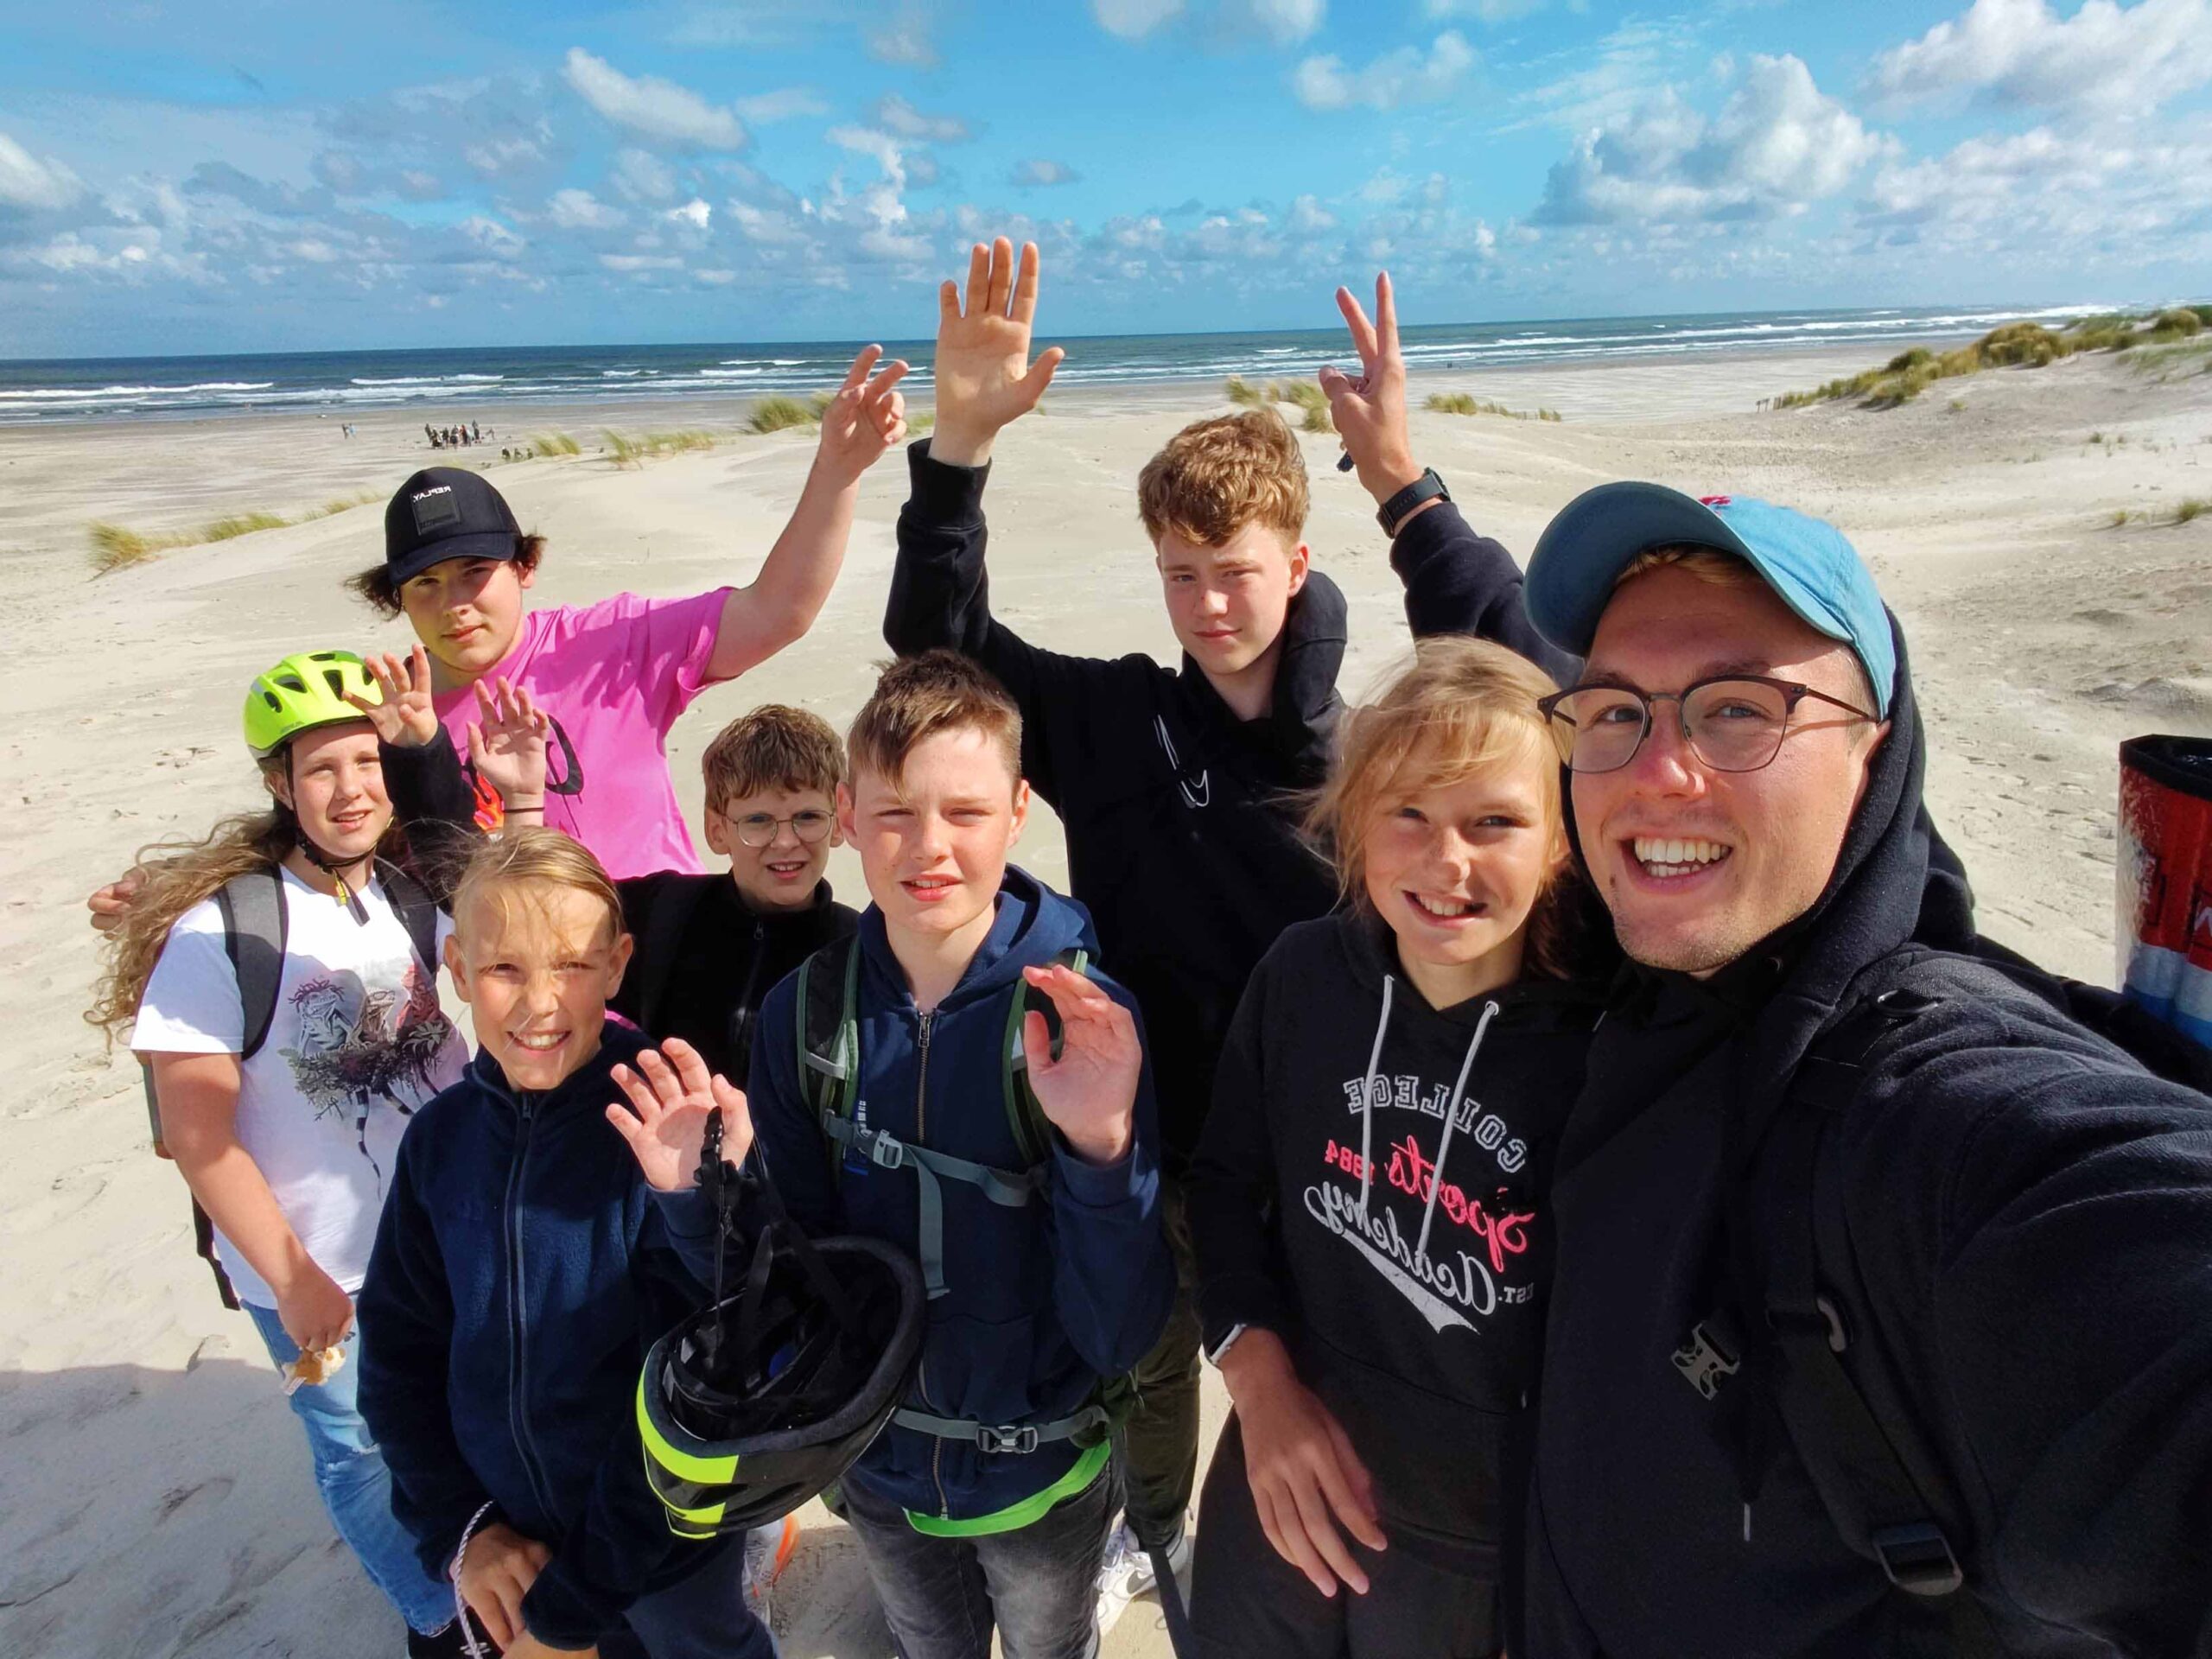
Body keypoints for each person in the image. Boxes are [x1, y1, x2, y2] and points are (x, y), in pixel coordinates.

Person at [882, 238, 1574, 1619]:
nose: (1208, 605)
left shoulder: (1366, 762)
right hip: (1145, 1142)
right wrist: (956, 452)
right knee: (1150, 1370)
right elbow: (937, 641)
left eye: (1236, 573)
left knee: (1328, 1393)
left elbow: (1540, 696)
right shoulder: (1116, 721)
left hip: (1332, 1151)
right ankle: (1157, 1533)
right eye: (1181, 573)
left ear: (1297, 564)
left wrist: (1404, 482)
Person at [1512, 483, 2212, 1655]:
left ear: (1874, 751)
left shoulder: (1925, 1111)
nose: (1656, 770)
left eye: (1739, 710)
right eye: (1616, 710)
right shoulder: (1615, 994)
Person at [618, 649, 1175, 1659]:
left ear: (1018, 811)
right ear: (848, 817)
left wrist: (1101, 1151)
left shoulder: (1081, 1020)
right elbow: (782, 1287)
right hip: (871, 1468)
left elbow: (1118, 1334)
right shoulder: (805, 1014)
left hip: (1037, 1476)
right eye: (894, 814)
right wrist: (700, 1193)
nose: (929, 848)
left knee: (1051, 1646)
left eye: (965, 812)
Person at [1185, 637, 1611, 1658]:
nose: (1444, 859)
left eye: (1493, 822)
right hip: (1281, 1476)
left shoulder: (1605, 1047)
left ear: (1561, 841)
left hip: (1475, 1543)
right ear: (1356, 822)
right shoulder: (1301, 978)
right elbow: (1223, 1185)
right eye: (1407, 812)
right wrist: (1259, 1385)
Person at [86, 650, 471, 1658]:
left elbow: (517, 940)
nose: (351, 790)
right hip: (312, 1263)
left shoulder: (410, 895)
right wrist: (295, 1279)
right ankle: (439, 1620)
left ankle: (484, 1580)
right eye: (321, 768)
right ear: (278, 783)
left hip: (437, 1240)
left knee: (453, 1422)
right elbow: (196, 1137)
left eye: (367, 761)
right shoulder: (220, 933)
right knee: (358, 1453)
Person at [356, 828, 777, 1659]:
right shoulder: (439, 1142)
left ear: (617, 966)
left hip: (659, 1545)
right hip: (509, 1535)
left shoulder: (663, 1125)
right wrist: (465, 1528)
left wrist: (575, 1602)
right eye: (505, 969)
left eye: (574, 965)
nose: (541, 1003)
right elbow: (399, 1356)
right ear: (458, 968)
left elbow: (716, 1371)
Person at [371, 643, 859, 1087]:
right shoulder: (668, 913)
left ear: (840, 822)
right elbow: (527, 913)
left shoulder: (863, 949)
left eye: (808, 818)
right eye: (758, 821)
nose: (785, 841)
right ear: (716, 830)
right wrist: (512, 795)